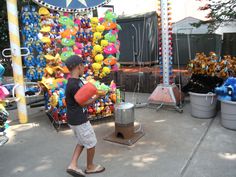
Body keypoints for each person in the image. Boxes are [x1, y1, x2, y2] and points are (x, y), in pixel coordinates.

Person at [65, 55, 105, 177]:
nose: (84, 68)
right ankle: (90, 167)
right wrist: (96, 97)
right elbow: (82, 102)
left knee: (82, 141)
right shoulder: (75, 85)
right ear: (79, 66)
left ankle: (72, 164)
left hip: (73, 118)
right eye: (83, 66)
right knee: (91, 143)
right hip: (79, 119)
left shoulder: (73, 82)